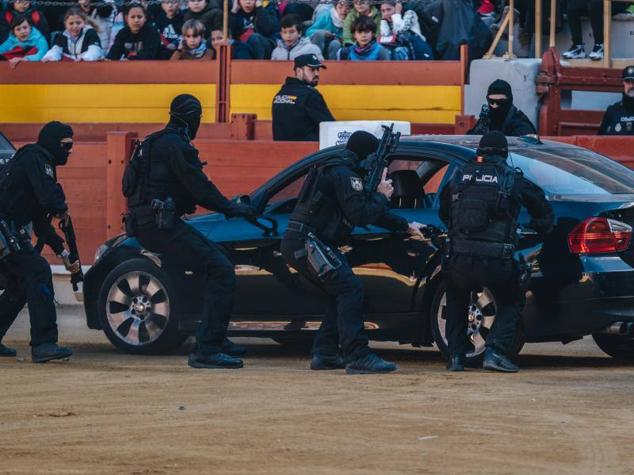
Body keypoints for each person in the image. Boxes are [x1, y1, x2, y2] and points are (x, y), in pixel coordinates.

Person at [123, 94, 257, 369]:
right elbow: (199, 187)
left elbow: (128, 186)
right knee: (220, 269)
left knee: (201, 270)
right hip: (163, 226)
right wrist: (231, 209)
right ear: (191, 118)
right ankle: (207, 348)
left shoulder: (150, 143)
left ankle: (213, 336)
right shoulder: (177, 146)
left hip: (144, 223)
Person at [280, 131, 426, 374]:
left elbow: (367, 211)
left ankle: (325, 352)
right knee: (349, 288)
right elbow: (360, 214)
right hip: (307, 243)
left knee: (339, 292)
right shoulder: (343, 174)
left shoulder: (342, 171)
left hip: (305, 242)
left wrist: (405, 225)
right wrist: (381, 195)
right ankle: (357, 354)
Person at [439, 131, 554, 372]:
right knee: (512, 298)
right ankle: (496, 352)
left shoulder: (460, 176)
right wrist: (538, 228)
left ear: (480, 151)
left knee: (457, 299)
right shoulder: (511, 178)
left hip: (458, 257)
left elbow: (443, 211)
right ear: (505, 153)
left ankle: (456, 358)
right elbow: (542, 209)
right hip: (495, 260)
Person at [0, 122, 79, 363]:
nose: (70, 151)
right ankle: (44, 343)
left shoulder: (34, 160)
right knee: (39, 271)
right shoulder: (37, 158)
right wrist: (61, 209)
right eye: (66, 145)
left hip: (8, 230)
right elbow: (47, 199)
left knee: (22, 281)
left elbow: (39, 218)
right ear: (54, 143)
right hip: (5, 229)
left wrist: (62, 252)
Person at [272, 53, 335, 142]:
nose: (317, 73)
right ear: (299, 71)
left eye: (317, 69)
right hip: (309, 152)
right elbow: (330, 126)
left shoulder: (280, 95)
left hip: (279, 151)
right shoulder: (311, 95)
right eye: (312, 69)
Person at [562, 0, 629, 61]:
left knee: (594, 4)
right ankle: (577, 47)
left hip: (618, 2)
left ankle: (600, 46)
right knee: (573, 6)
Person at [467, 79, 536, 137]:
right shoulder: (486, 119)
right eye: (491, 101)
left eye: (500, 102)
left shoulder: (521, 125)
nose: (494, 106)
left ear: (509, 100)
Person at [598, 65, 634, 136]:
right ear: (623, 83)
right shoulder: (612, 111)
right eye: (628, 82)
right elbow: (600, 140)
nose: (631, 85)